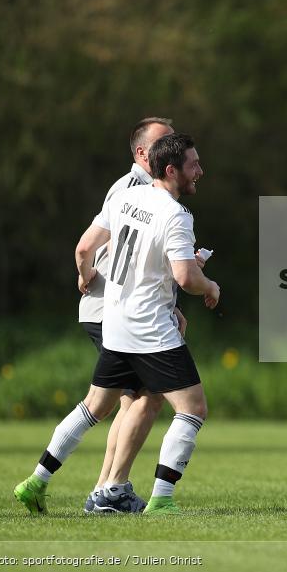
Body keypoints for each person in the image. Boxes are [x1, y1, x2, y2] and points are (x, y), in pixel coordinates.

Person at [14, 133, 219, 516]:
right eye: (194, 165)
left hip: (116, 325)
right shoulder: (176, 215)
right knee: (192, 409)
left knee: (93, 407)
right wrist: (210, 285)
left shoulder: (124, 197)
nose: (200, 172)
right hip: (151, 329)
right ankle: (161, 499)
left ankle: (37, 480)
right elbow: (186, 279)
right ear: (171, 170)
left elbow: (85, 246)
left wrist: (85, 275)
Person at [78, 117, 173, 513]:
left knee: (126, 401)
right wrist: (86, 277)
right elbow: (133, 260)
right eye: (163, 144)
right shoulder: (137, 188)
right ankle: (105, 488)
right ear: (141, 153)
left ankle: (105, 487)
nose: (173, 149)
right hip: (116, 310)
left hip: (113, 309)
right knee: (144, 398)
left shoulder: (131, 187)